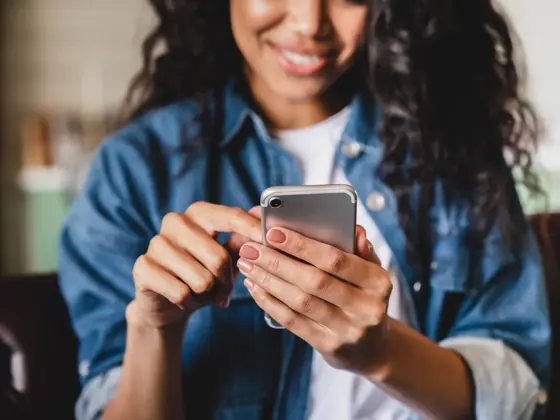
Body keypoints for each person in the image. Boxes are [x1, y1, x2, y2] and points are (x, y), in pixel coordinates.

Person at [58, 0, 550, 419]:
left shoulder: (451, 150)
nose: (310, 22)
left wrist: (379, 352)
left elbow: (515, 392)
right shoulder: (136, 169)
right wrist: (154, 328)